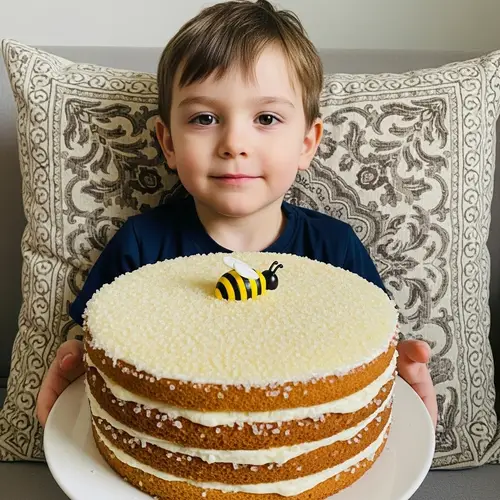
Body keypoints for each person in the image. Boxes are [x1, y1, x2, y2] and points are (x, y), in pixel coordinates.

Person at [36, 0, 437, 429]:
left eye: (266, 117)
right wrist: (72, 374)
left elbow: (373, 351)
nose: (234, 143)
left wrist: (406, 392)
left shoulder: (334, 248)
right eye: (205, 118)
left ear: (307, 142)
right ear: (168, 143)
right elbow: (95, 348)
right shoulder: (141, 244)